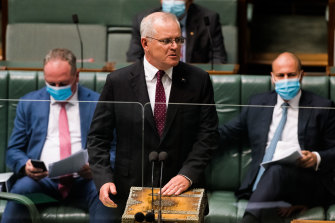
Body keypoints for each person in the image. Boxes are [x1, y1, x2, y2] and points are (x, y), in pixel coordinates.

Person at [87, 12, 219, 222]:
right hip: (130, 189)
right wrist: (103, 179)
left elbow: (208, 136)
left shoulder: (198, 80)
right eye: (167, 41)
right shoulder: (118, 82)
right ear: (145, 43)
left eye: (178, 39)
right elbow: (97, 138)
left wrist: (187, 175)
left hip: (181, 190)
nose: (175, 46)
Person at [219, 52, 335, 222]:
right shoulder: (257, 103)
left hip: (305, 182)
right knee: (274, 176)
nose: (286, 80)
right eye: (281, 75)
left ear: (301, 75)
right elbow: (226, 133)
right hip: (263, 185)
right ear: (273, 78)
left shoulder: (322, 107)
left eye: (291, 75)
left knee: (277, 170)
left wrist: (316, 158)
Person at [2, 48, 114, 222]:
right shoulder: (29, 103)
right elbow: (13, 151)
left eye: (62, 84)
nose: (56, 89)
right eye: (50, 84)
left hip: (86, 179)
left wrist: (96, 167)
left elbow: (115, 149)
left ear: (76, 76)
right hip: (42, 180)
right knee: (20, 189)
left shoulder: (97, 102)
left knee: (105, 192)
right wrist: (25, 166)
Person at [126, 0, 227, 64]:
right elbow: (134, 58)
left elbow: (218, 59)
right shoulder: (144, 20)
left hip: (193, 79)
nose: (172, 1)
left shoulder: (208, 20)